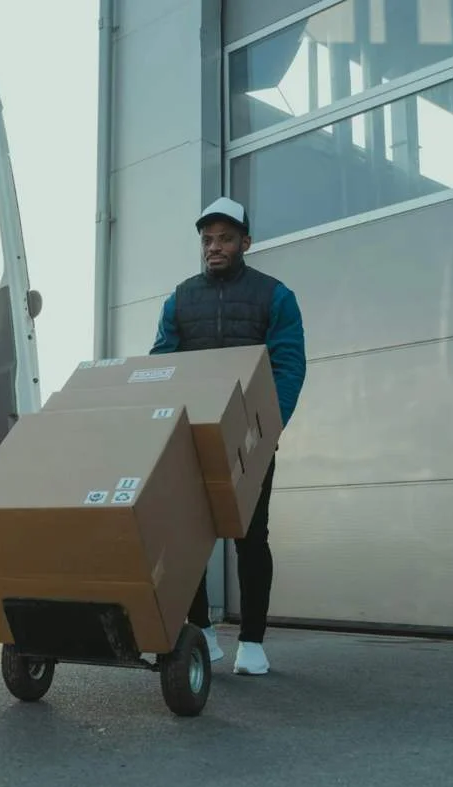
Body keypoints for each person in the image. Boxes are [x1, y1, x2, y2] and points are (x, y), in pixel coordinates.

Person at [150, 197, 306, 676]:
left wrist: (268, 428)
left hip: (250, 440)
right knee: (188, 537)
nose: (214, 248)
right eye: (207, 240)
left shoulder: (274, 296)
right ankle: (202, 633)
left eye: (224, 239)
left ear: (245, 242)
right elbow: (162, 362)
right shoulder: (180, 298)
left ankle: (253, 643)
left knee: (250, 537)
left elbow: (288, 365)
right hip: (190, 437)